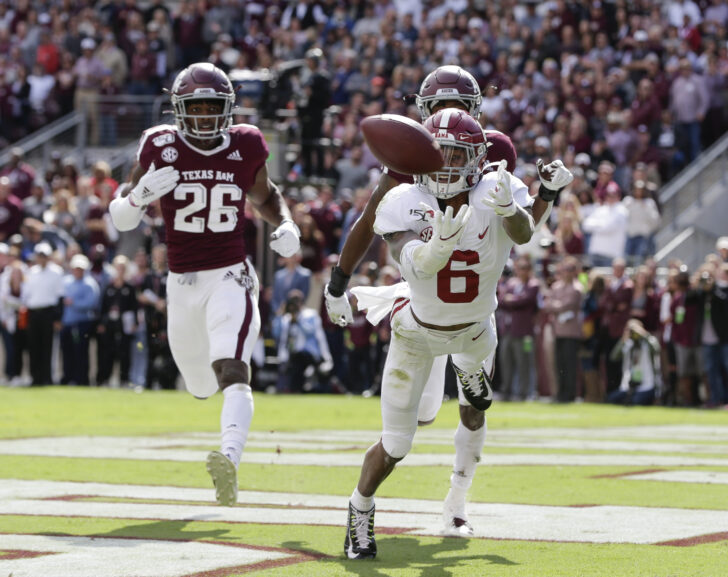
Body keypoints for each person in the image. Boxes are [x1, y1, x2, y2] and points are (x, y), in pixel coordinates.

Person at [325, 65, 573, 541]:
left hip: (475, 318)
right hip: (419, 317)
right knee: (406, 431)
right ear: (422, 114)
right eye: (438, 111)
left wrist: (543, 197)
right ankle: (361, 507)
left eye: (460, 140)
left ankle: (456, 504)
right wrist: (341, 280)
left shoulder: (492, 168)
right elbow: (388, 239)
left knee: (473, 407)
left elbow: (520, 232)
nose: (446, 151)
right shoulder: (406, 175)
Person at [342, 109, 538, 560]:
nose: (449, 163)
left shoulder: (493, 188)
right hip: (418, 332)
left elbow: (524, 235)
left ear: (477, 159)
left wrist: (511, 210)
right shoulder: (404, 199)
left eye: (458, 154)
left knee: (477, 363)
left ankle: (471, 381)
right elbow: (413, 264)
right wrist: (439, 245)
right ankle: (359, 508)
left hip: (473, 329)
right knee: (395, 444)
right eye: (442, 152)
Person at [109, 62, 300, 506]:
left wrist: (287, 222)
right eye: (194, 108)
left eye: (212, 107)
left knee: (231, 368)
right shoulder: (159, 144)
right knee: (198, 384)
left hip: (230, 273)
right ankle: (222, 430)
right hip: (181, 283)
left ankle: (229, 460)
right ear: (178, 110)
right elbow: (121, 217)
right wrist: (137, 196)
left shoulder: (246, 143)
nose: (203, 117)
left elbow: (266, 195)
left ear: (228, 109)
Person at [607, 319, 661, 406]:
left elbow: (657, 349)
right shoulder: (628, 344)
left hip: (647, 385)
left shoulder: (648, 342)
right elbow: (614, 357)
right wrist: (624, 338)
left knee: (636, 401)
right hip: (630, 385)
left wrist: (643, 333)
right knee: (611, 398)